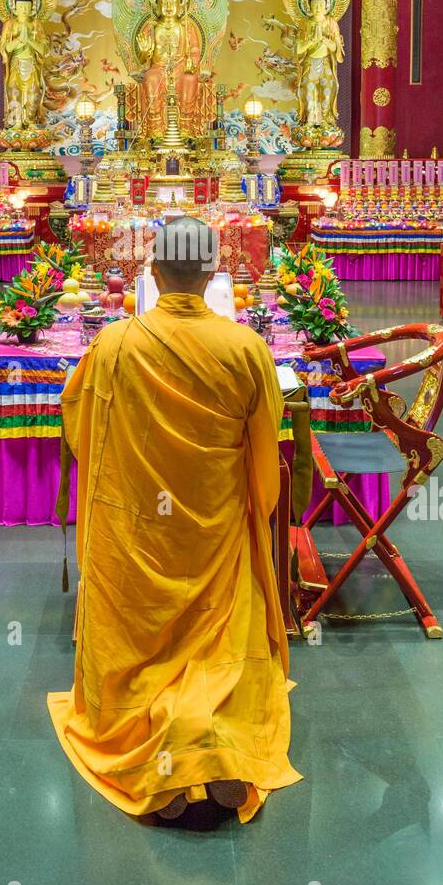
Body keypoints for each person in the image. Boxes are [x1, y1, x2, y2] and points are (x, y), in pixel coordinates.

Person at [49, 216, 301, 823]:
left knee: (142, 650)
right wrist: (248, 505)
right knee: (221, 648)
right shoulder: (246, 347)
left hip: (138, 534)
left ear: (153, 271)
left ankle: (167, 765)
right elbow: (267, 452)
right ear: (215, 271)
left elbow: (79, 425)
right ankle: (209, 751)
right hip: (213, 531)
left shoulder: (114, 344)